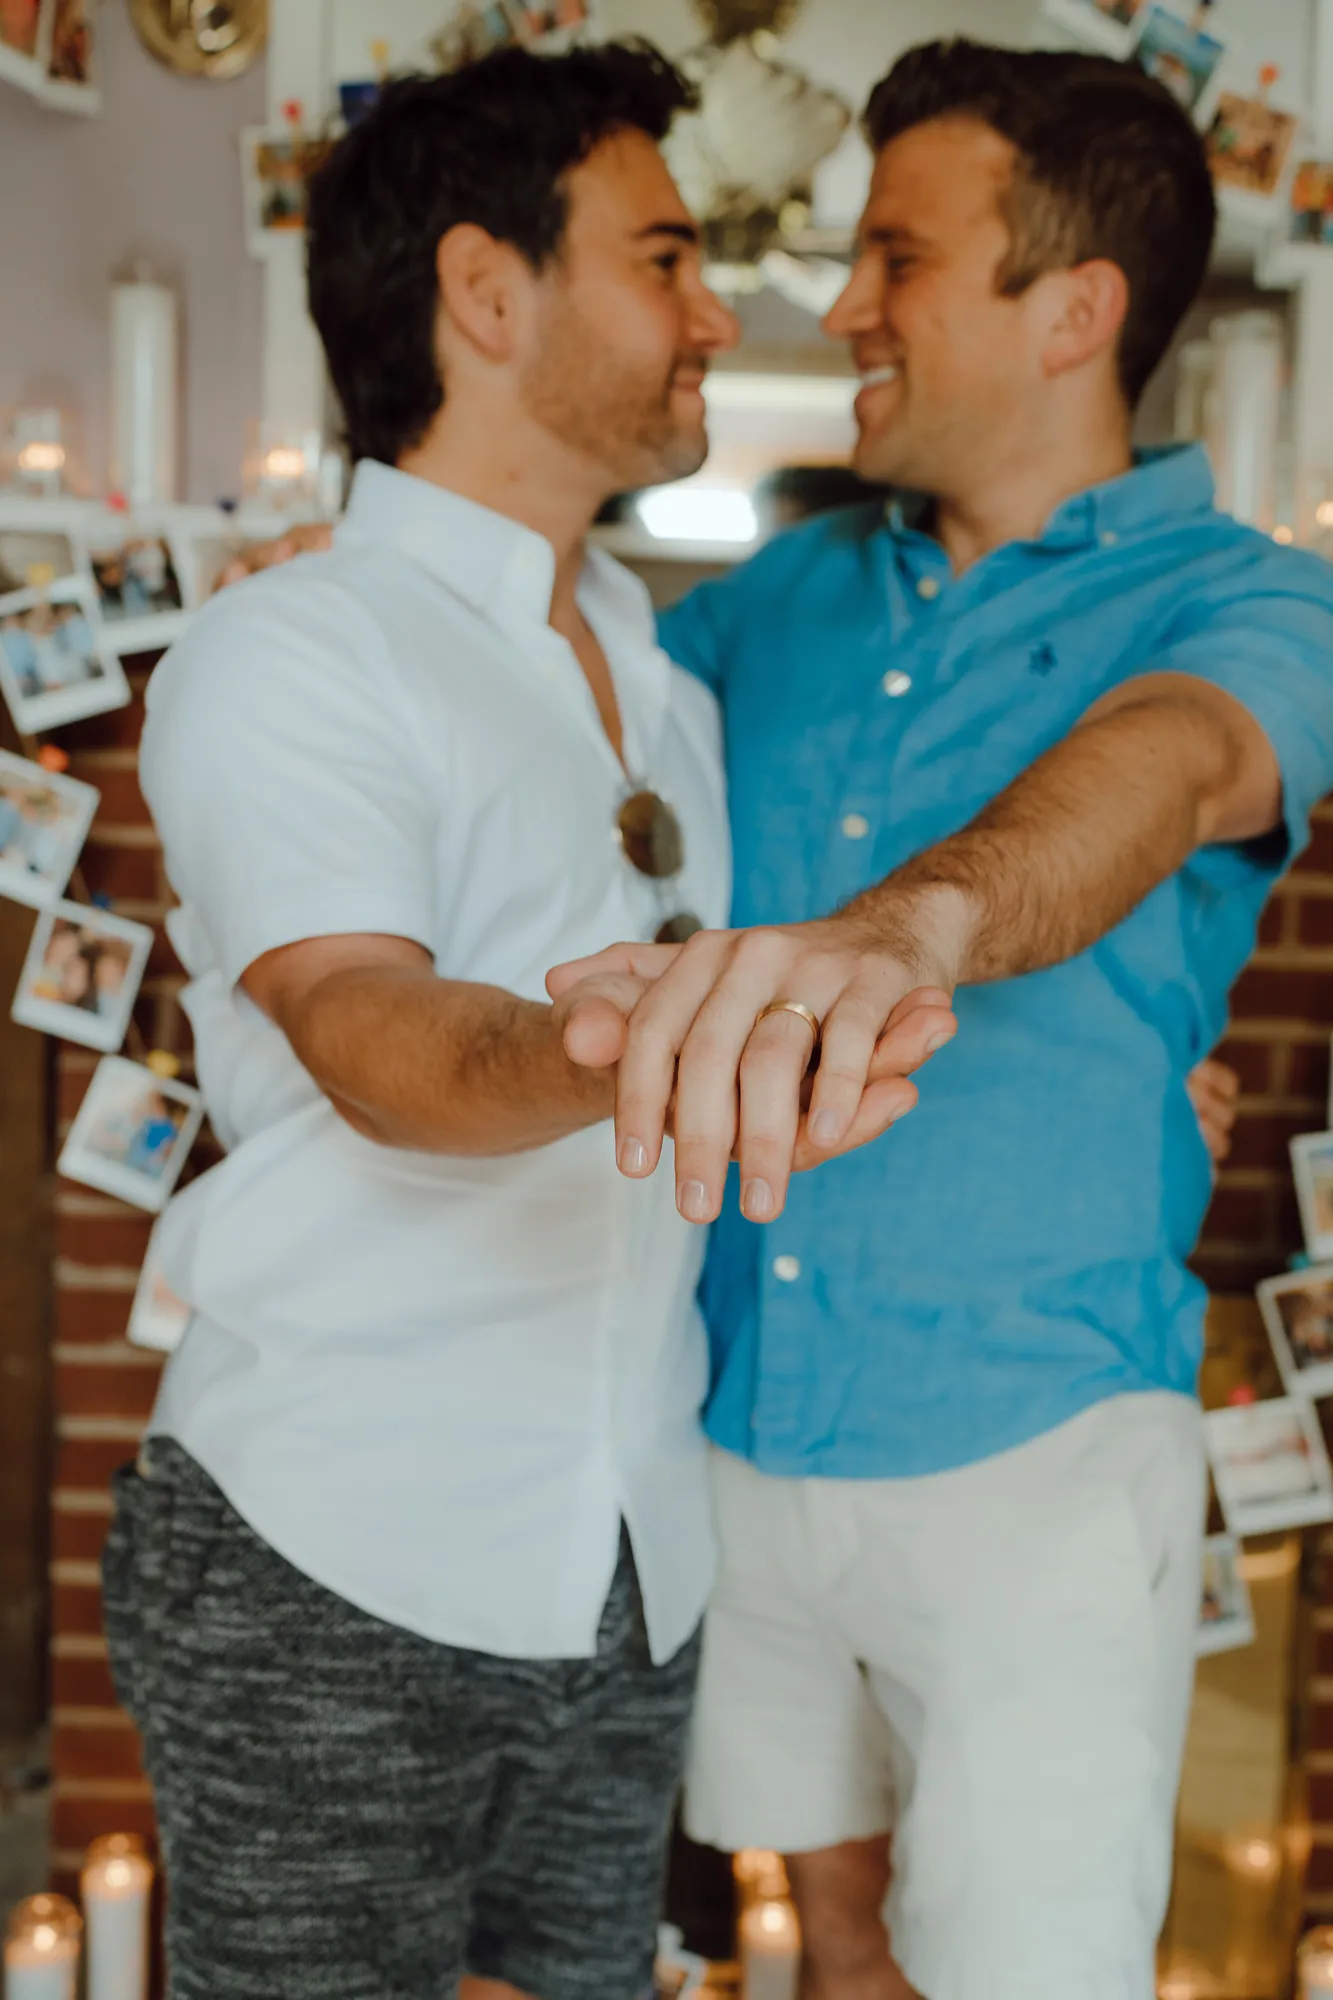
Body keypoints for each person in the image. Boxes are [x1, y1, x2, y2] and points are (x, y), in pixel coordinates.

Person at [101, 44, 946, 2000]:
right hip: (332, 1542)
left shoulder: (666, 680)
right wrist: (619, 1041)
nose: (719, 313)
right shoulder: (291, 643)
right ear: (486, 292)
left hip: (632, 1559)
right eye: (665, 257)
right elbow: (363, 1025)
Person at [545, 40, 1333, 2000]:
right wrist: (366, 594)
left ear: (1076, 310)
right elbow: (557, 727)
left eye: (899, 257)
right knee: (827, 1949)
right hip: (741, 1418)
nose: (844, 307)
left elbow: (1168, 765)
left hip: (1035, 1445)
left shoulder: (1254, 604)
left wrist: (914, 929)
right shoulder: (778, 600)